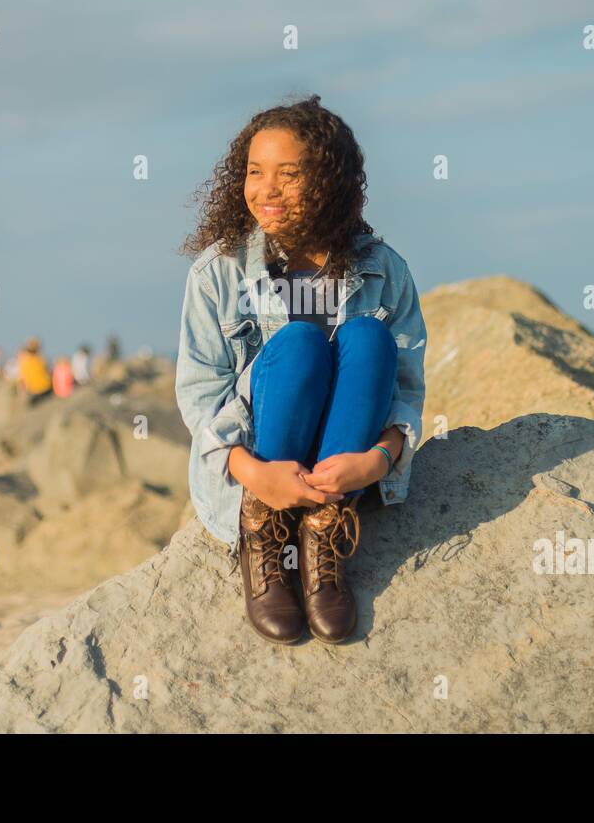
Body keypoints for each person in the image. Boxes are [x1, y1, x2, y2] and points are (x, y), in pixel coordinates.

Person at [175, 94, 426, 645]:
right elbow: (199, 397)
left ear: (330, 180)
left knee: (367, 334)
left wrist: (377, 462)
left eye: (289, 175)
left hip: (345, 465)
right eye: (255, 172)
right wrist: (253, 474)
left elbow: (406, 387)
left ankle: (323, 534)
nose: (266, 190)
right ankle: (265, 526)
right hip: (261, 464)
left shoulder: (384, 270)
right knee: (301, 344)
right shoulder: (218, 272)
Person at [16, 338, 53, 405]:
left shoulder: (23, 360)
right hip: (45, 388)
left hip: (34, 391)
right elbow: (48, 371)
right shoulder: (41, 359)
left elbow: (22, 379)